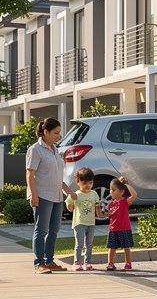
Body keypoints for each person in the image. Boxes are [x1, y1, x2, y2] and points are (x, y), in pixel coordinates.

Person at [26, 117, 78, 274]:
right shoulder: (35, 149)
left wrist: (69, 192)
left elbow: (56, 177)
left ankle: (49, 261)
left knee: (54, 231)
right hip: (42, 195)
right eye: (55, 133)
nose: (58, 136)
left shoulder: (55, 150)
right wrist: (34, 195)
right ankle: (39, 264)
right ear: (45, 132)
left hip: (57, 196)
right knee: (41, 230)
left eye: (59, 133)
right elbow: (30, 175)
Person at [66, 167, 103, 270]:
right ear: (78, 182)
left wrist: (101, 214)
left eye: (90, 183)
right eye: (85, 183)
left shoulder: (94, 194)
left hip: (91, 223)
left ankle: (87, 263)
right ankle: (77, 262)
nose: (88, 185)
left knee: (89, 244)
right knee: (79, 244)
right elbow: (70, 208)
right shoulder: (76, 194)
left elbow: (97, 208)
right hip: (79, 223)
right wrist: (70, 203)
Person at [105, 176, 137, 271]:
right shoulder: (110, 204)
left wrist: (126, 185)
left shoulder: (125, 202)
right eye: (110, 189)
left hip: (124, 229)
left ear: (121, 191)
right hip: (113, 229)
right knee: (112, 247)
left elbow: (134, 195)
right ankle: (110, 263)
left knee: (126, 247)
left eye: (113, 190)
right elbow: (109, 215)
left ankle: (128, 263)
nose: (111, 191)